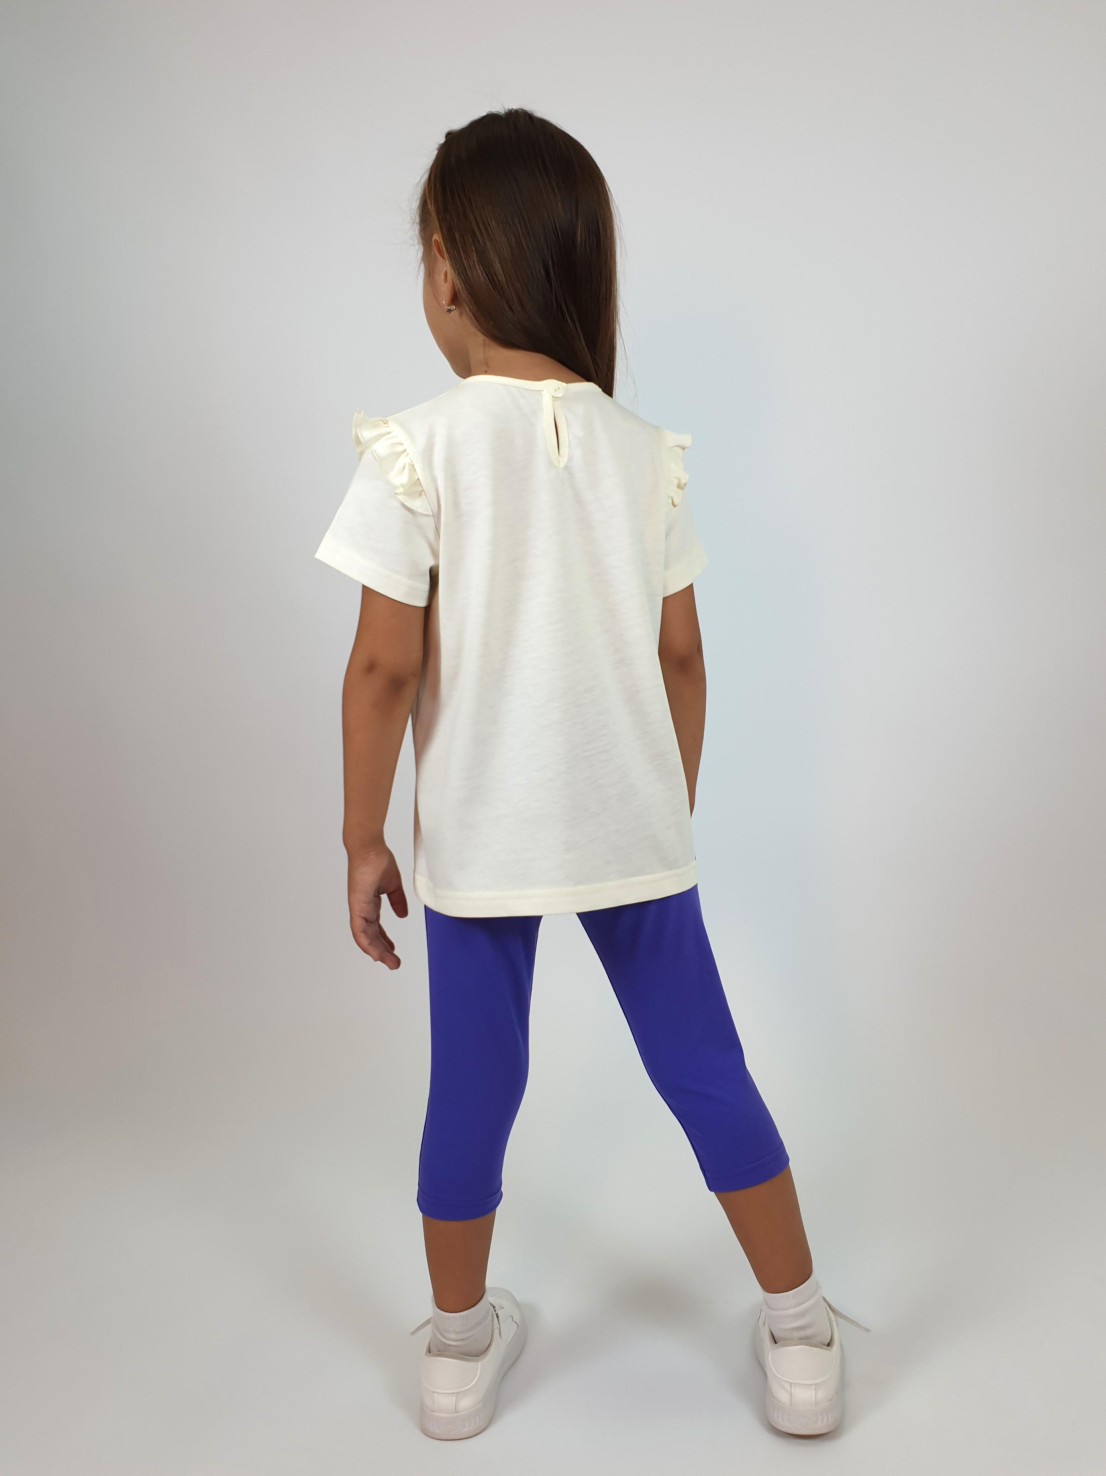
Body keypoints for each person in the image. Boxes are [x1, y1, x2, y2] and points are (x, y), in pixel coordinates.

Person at [314, 107, 868, 1443]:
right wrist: (661, 802)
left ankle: (456, 1353)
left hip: (478, 840)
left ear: (449, 272)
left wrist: (361, 836)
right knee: (706, 1068)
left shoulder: (418, 449)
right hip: (632, 828)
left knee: (472, 1086)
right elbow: (682, 657)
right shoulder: (643, 455)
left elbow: (382, 669)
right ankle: (800, 1332)